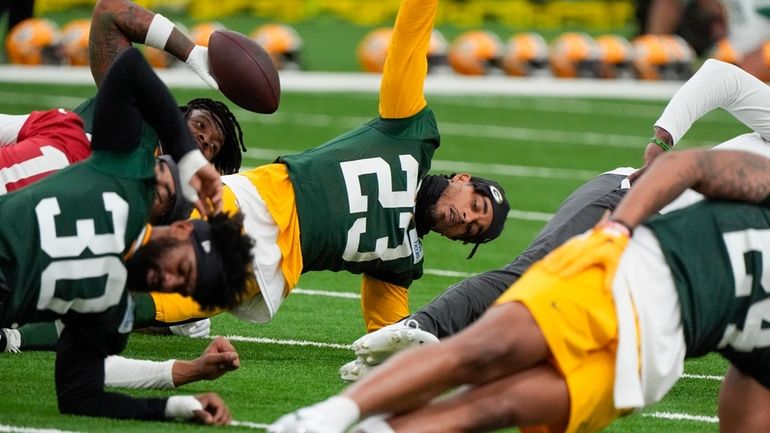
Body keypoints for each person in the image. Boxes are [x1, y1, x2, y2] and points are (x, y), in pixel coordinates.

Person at [268, 62, 770, 433]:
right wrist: (657, 151)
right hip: (638, 219)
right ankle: (407, 339)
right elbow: (713, 99)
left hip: (662, 333)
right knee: (516, 303)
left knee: (512, 401)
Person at [130, 0, 510, 340]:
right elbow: (409, 44)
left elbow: (392, 333)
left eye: (470, 228)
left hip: (277, 263)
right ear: (463, 179)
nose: (463, 217)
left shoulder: (402, 261)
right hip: (263, 197)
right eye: (475, 205)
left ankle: (107, 310)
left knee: (196, 293)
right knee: (157, 200)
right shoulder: (410, 133)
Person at [0, 46, 254, 424]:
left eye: (179, 286)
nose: (167, 280)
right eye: (181, 268)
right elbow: (130, 69)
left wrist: (175, 406)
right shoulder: (127, 179)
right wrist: (189, 157)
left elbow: (79, 393)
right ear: (182, 228)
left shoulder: (112, 307)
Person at [0, 0, 246, 192]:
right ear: (177, 116)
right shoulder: (131, 120)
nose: (204, 138)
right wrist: (191, 52)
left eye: (213, 146)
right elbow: (111, 11)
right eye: (200, 124)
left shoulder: (171, 198)